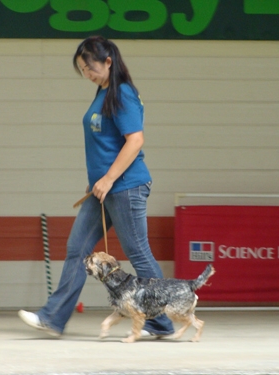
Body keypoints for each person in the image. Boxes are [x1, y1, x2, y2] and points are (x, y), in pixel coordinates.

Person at [18, 35, 174, 338]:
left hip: (124, 186)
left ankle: (161, 321)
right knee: (77, 249)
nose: (86, 74)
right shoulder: (102, 93)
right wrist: (100, 182)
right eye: (81, 69)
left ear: (107, 61)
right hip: (102, 189)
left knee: (138, 253)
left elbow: (136, 140)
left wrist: (109, 177)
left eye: (89, 67)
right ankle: (53, 317)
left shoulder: (123, 93)